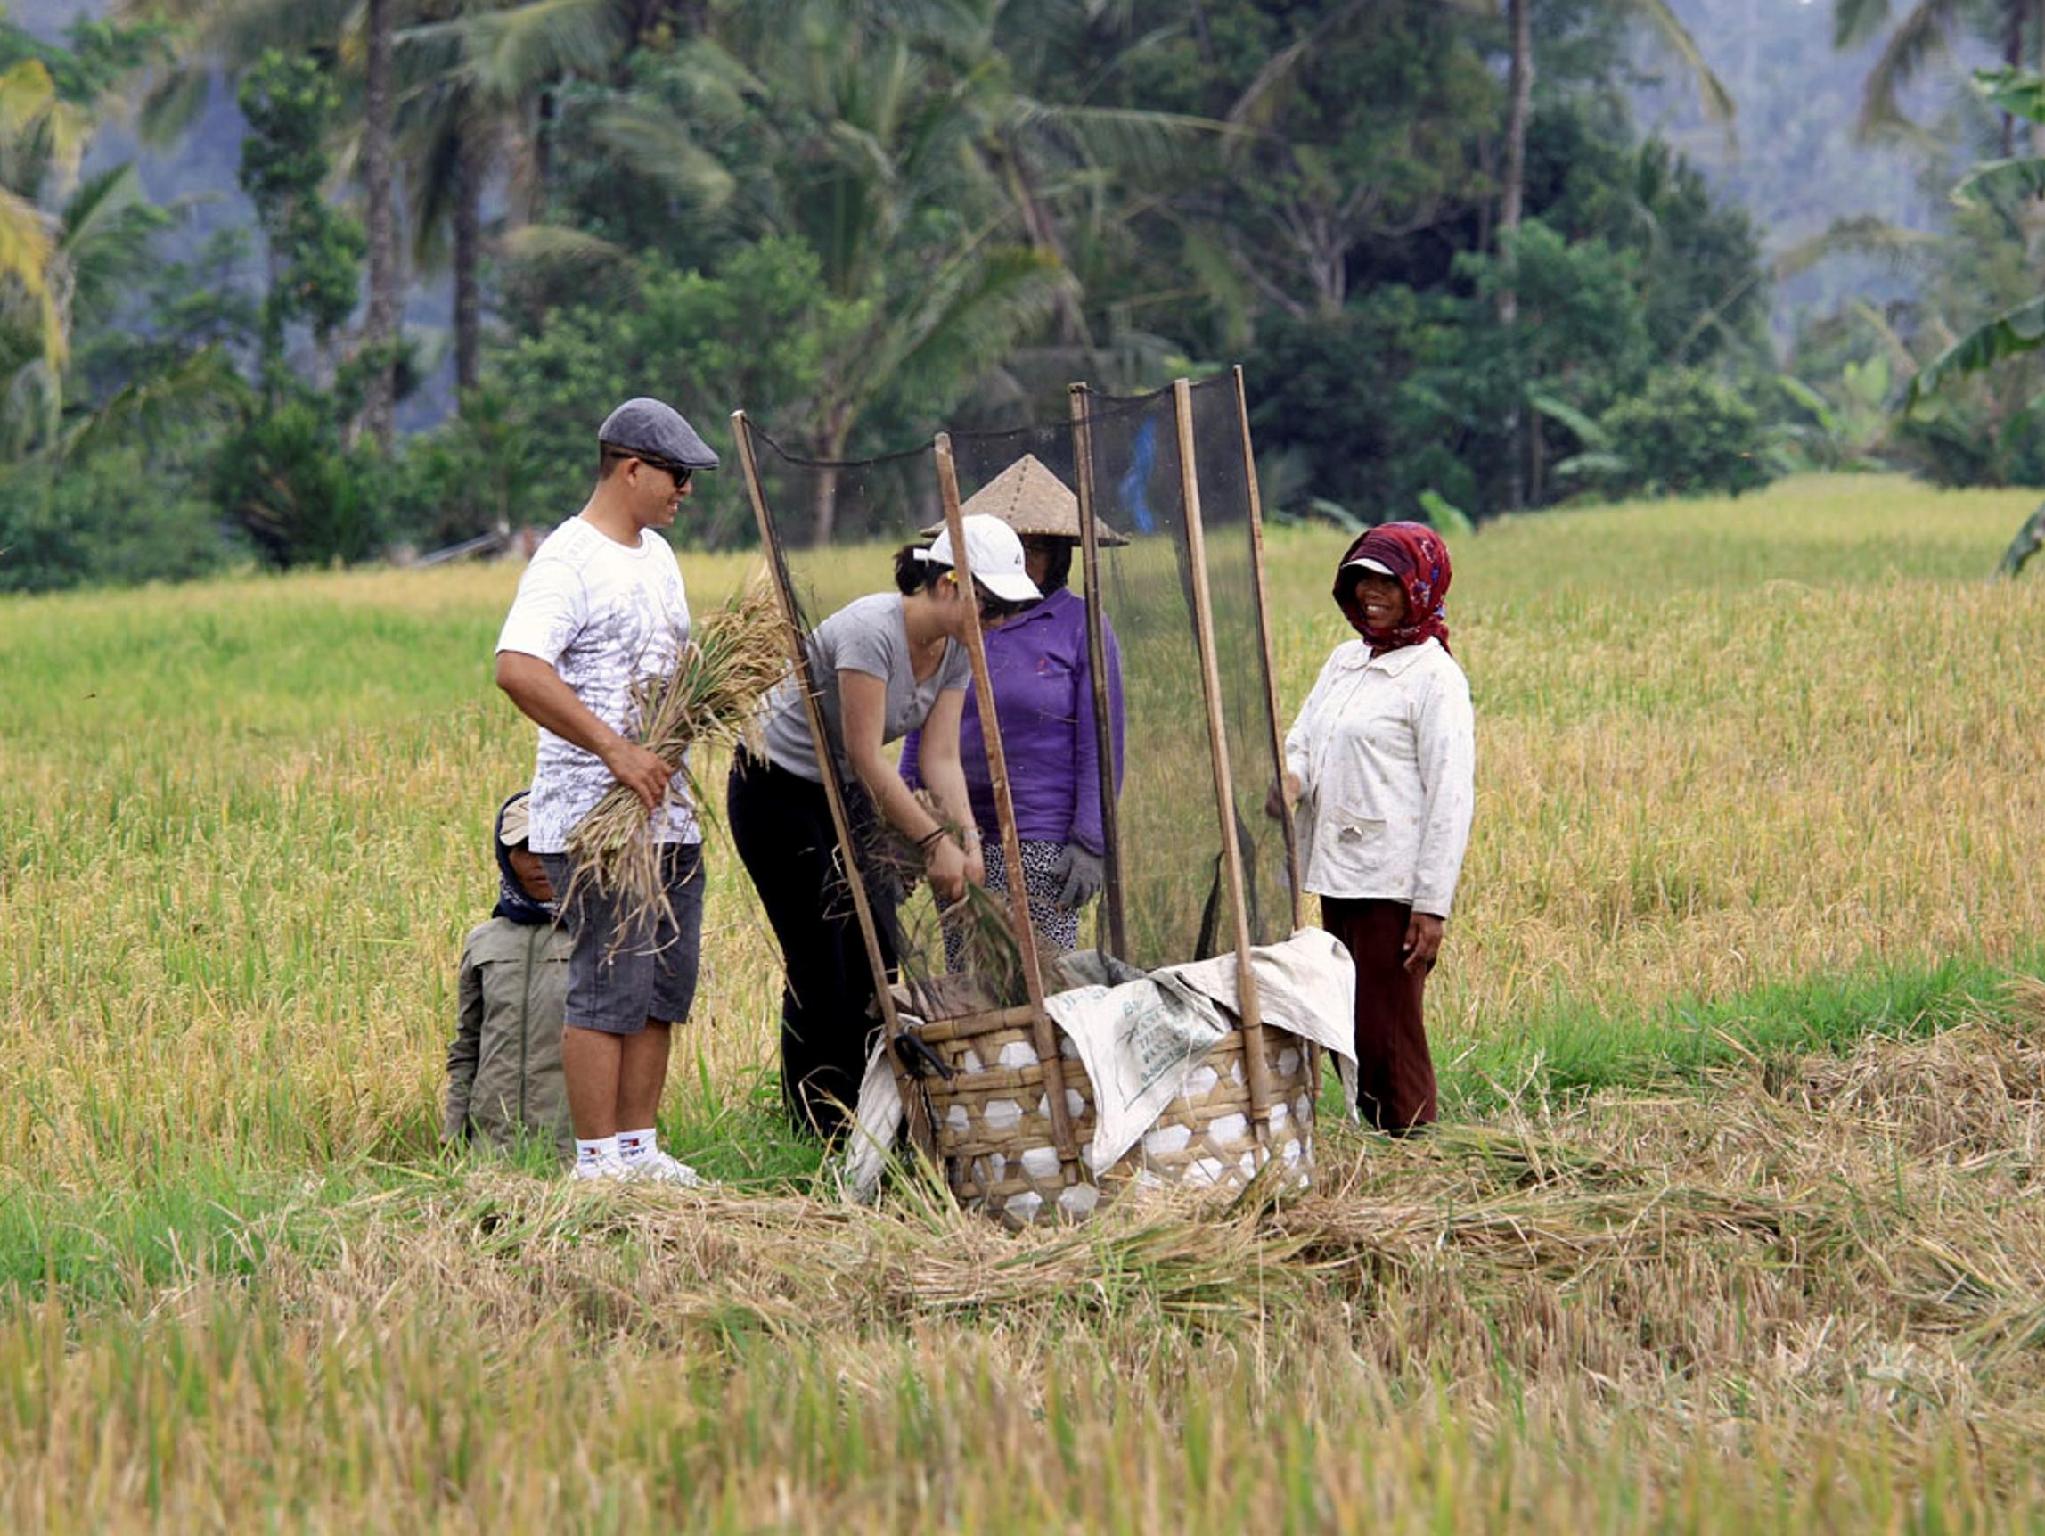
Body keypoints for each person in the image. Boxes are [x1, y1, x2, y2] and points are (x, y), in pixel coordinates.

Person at [728, 514, 1041, 1137]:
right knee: (823, 963)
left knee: (880, 959)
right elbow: (870, 755)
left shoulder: (955, 651)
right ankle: (818, 1126)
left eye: (1006, 610)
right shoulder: (872, 632)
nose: (999, 623)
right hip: (777, 790)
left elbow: (940, 758)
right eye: (992, 605)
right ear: (949, 585)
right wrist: (930, 841)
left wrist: (965, 841)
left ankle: (876, 1116)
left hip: (841, 793)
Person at [493, 397, 720, 1184]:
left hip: (670, 815)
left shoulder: (656, 555)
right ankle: (595, 1163)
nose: (685, 491)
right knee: (608, 983)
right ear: (631, 468)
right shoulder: (567, 559)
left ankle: (638, 1149)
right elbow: (518, 667)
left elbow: (676, 669)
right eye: (678, 476)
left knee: (661, 983)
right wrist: (616, 751)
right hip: (595, 821)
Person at [1275, 522, 1474, 1134]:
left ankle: (1414, 1141)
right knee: (1352, 1019)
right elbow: (1306, 741)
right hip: (1338, 871)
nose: (1372, 594)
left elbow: (1450, 798)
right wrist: (1289, 780)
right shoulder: (1346, 662)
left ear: (1419, 588)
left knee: (1388, 1024)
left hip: (1392, 882)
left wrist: (1431, 907)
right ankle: (1379, 1134)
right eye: (1362, 580)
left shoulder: (1433, 678)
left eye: (1388, 582)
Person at [900, 454, 1126, 957]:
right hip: (961, 834)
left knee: (1038, 982)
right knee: (971, 978)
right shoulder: (961, 620)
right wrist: (912, 817)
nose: (1021, 560)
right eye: (1011, 546)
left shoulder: (1080, 626)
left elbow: (1101, 743)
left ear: (1059, 555)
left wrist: (1090, 842)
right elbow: (924, 721)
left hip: (1044, 842)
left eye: (1034, 549)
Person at [445, 791, 573, 1160]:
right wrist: (454, 1132)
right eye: (525, 848)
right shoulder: (483, 942)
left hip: (573, 1154)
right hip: (492, 1153)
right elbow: (467, 1046)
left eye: (551, 847)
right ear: (506, 858)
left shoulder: (599, 939)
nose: (539, 862)